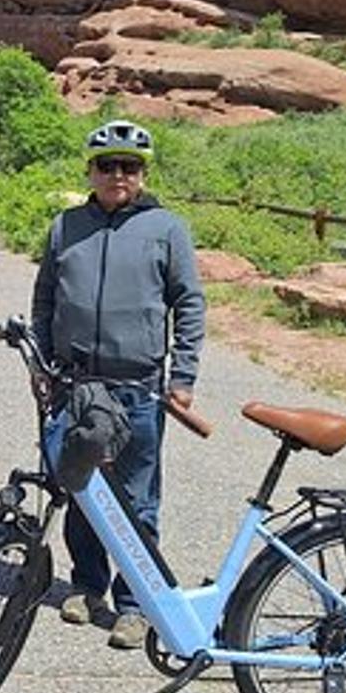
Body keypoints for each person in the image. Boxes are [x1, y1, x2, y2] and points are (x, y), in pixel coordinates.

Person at [30, 118, 205, 650]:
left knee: (136, 499)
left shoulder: (167, 229)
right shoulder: (66, 226)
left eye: (129, 167)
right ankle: (88, 587)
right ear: (91, 170)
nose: (118, 175)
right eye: (107, 165)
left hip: (139, 386)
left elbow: (189, 303)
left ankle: (137, 603)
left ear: (142, 174)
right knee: (80, 488)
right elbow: (45, 299)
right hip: (76, 384)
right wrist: (41, 360)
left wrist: (184, 375)